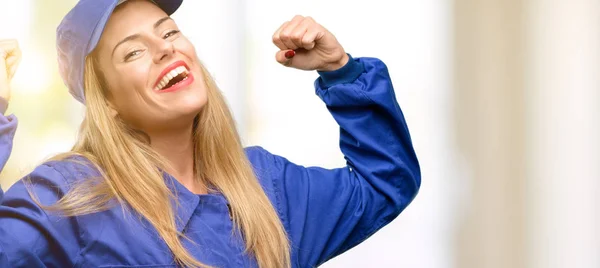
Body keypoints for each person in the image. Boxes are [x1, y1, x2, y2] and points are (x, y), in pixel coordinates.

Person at [0, 0, 421, 267]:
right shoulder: (72, 195)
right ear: (106, 100)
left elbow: (383, 184)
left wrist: (339, 70)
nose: (165, 47)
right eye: (133, 51)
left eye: (168, 31)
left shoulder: (264, 186)